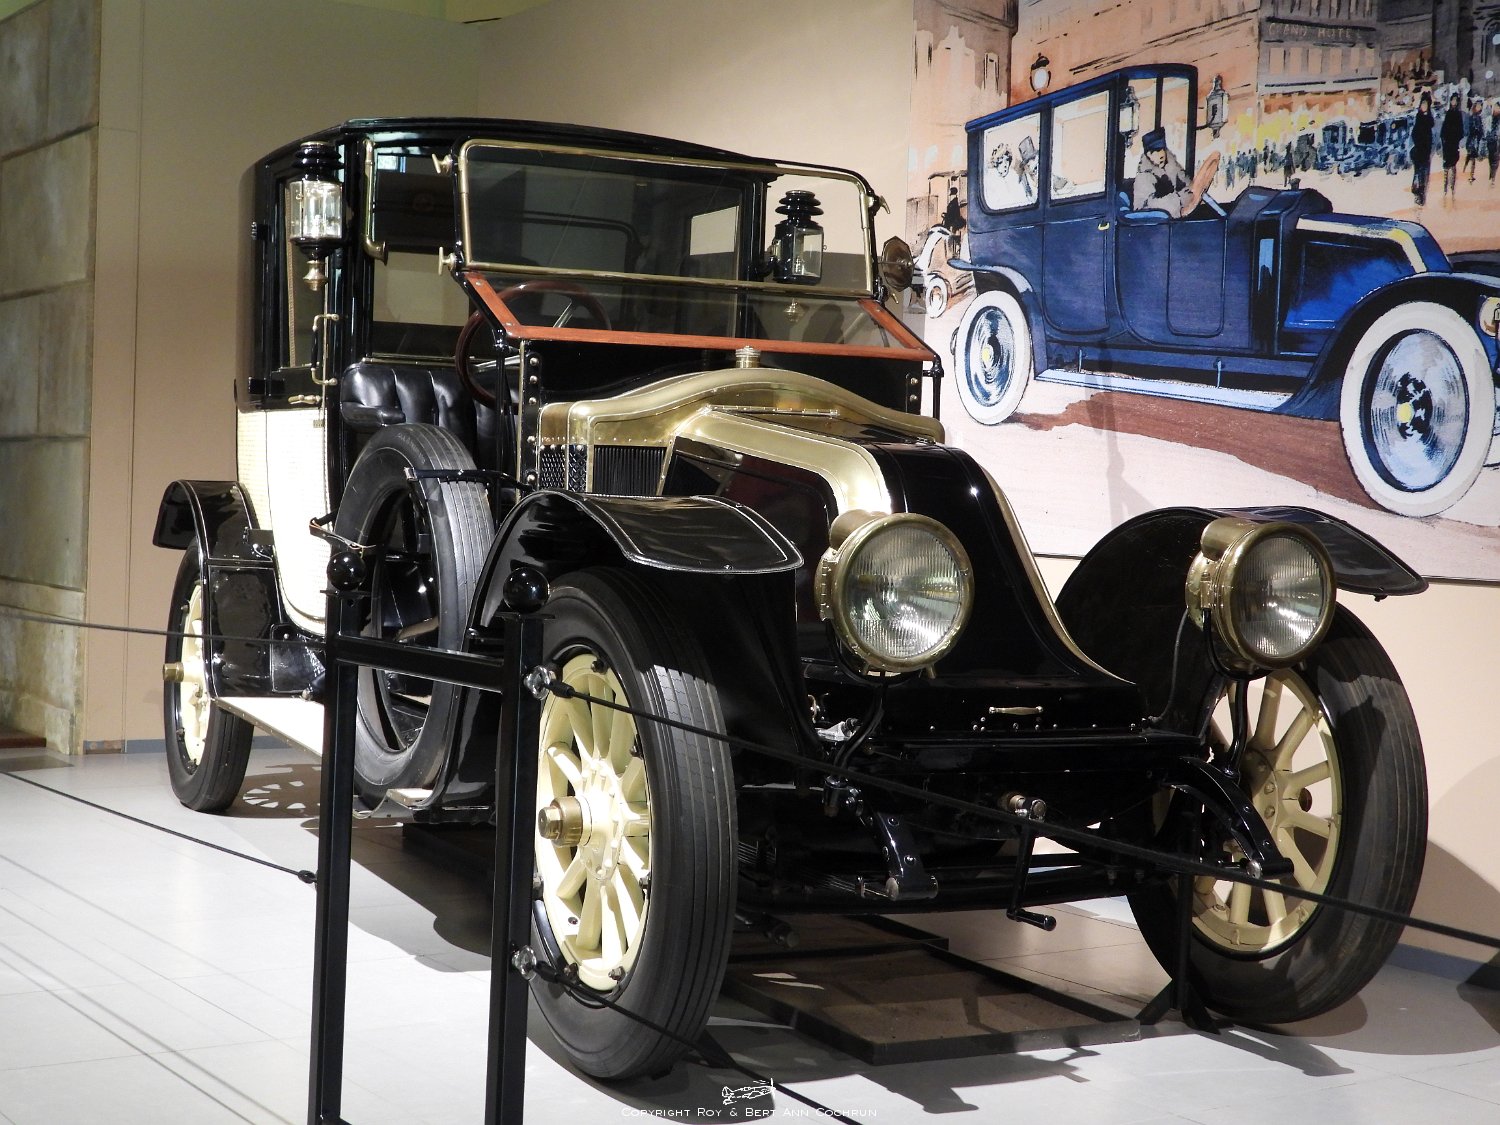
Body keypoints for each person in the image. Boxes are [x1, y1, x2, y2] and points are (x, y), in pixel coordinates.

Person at [1131, 128, 1220, 217]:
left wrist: (1190, 196)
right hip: (1159, 222)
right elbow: (1143, 210)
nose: (1161, 155)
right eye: (1156, 151)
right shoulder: (1143, 178)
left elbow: (1188, 186)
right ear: (1148, 155)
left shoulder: (1173, 169)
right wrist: (1179, 200)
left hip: (1179, 217)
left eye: (1163, 149)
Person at [1410, 92, 1434, 205]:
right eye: (1422, 104)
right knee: (1418, 172)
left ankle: (1421, 195)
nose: (1424, 106)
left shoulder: (1428, 119)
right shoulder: (1418, 117)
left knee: (1423, 173)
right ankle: (1417, 192)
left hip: (1425, 151)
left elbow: (1429, 136)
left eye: (1426, 104)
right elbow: (1415, 133)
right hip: (1418, 150)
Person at [1440, 92, 1464, 197]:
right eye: (1452, 100)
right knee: (1446, 165)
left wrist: (1456, 139)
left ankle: (1452, 187)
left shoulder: (1458, 114)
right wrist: (1444, 139)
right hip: (1447, 144)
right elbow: (1444, 129)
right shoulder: (1448, 113)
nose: (1453, 102)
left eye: (1455, 100)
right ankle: (1445, 187)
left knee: (1453, 165)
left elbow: (1460, 130)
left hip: (1454, 143)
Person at [1463, 96, 1484, 183]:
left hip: (1476, 141)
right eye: (1478, 106)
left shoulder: (1479, 117)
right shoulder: (1472, 117)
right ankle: (1466, 170)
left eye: (1480, 106)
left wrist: (1480, 135)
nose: (1479, 107)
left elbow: (1480, 129)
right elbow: (1469, 128)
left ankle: (1471, 174)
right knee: (1470, 156)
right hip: (1471, 140)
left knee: (1472, 158)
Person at [1488, 101, 1500, 186]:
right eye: (1495, 107)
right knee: (1491, 158)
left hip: (1498, 141)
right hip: (1491, 141)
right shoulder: (1491, 118)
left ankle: (1493, 178)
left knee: (1495, 159)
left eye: (1498, 108)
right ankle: (1492, 172)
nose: (1496, 109)